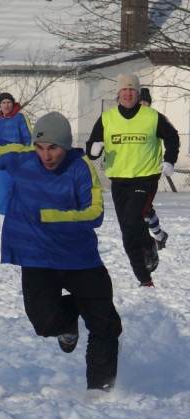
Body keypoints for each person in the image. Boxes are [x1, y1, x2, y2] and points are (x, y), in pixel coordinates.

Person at [0, 112, 122, 391]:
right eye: (40, 147)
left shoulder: (80, 167)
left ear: (66, 146)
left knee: (105, 324)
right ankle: (69, 320)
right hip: (38, 256)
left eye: (53, 148)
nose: (46, 155)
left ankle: (101, 391)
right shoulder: (20, 156)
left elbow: (95, 214)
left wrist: (53, 216)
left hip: (78, 256)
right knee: (44, 323)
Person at [86, 73, 179, 287]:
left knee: (131, 223)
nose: (128, 94)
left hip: (145, 178)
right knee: (128, 232)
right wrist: (94, 149)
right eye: (124, 90)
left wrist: (170, 160)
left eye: (132, 90)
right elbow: (92, 147)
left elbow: (172, 136)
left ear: (137, 93)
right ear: (118, 94)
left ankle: (144, 274)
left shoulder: (152, 116)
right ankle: (145, 276)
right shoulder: (107, 118)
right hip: (118, 180)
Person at [139, 87, 168, 250]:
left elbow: (172, 136)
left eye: (146, 102)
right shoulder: (132, 121)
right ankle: (160, 235)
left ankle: (145, 244)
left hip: (150, 171)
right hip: (132, 172)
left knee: (141, 211)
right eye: (141, 102)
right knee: (145, 210)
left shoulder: (156, 119)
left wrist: (169, 160)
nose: (143, 105)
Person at [0, 92, 32, 215]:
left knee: (21, 193)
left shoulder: (20, 118)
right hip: (3, 164)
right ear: (0, 105)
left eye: (9, 102)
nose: (6, 105)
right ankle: (3, 221)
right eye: (3, 102)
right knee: (2, 196)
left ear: (13, 103)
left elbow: (29, 139)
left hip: (19, 162)